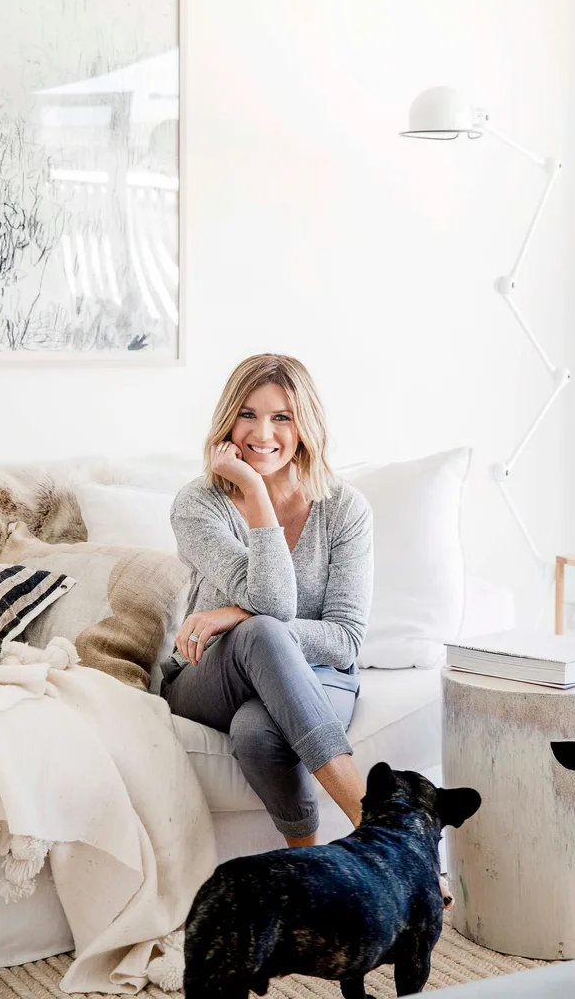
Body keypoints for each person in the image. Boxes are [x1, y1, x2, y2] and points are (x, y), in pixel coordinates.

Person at [159, 353, 373, 846]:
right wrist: (255, 491)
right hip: (211, 675)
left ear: (305, 426)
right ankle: (384, 828)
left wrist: (235, 615)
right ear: (227, 419)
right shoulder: (198, 506)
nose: (262, 433)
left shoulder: (344, 509)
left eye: (282, 417)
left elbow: (344, 641)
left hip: (318, 674)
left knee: (257, 735)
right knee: (261, 630)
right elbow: (273, 609)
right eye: (248, 414)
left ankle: (309, 865)